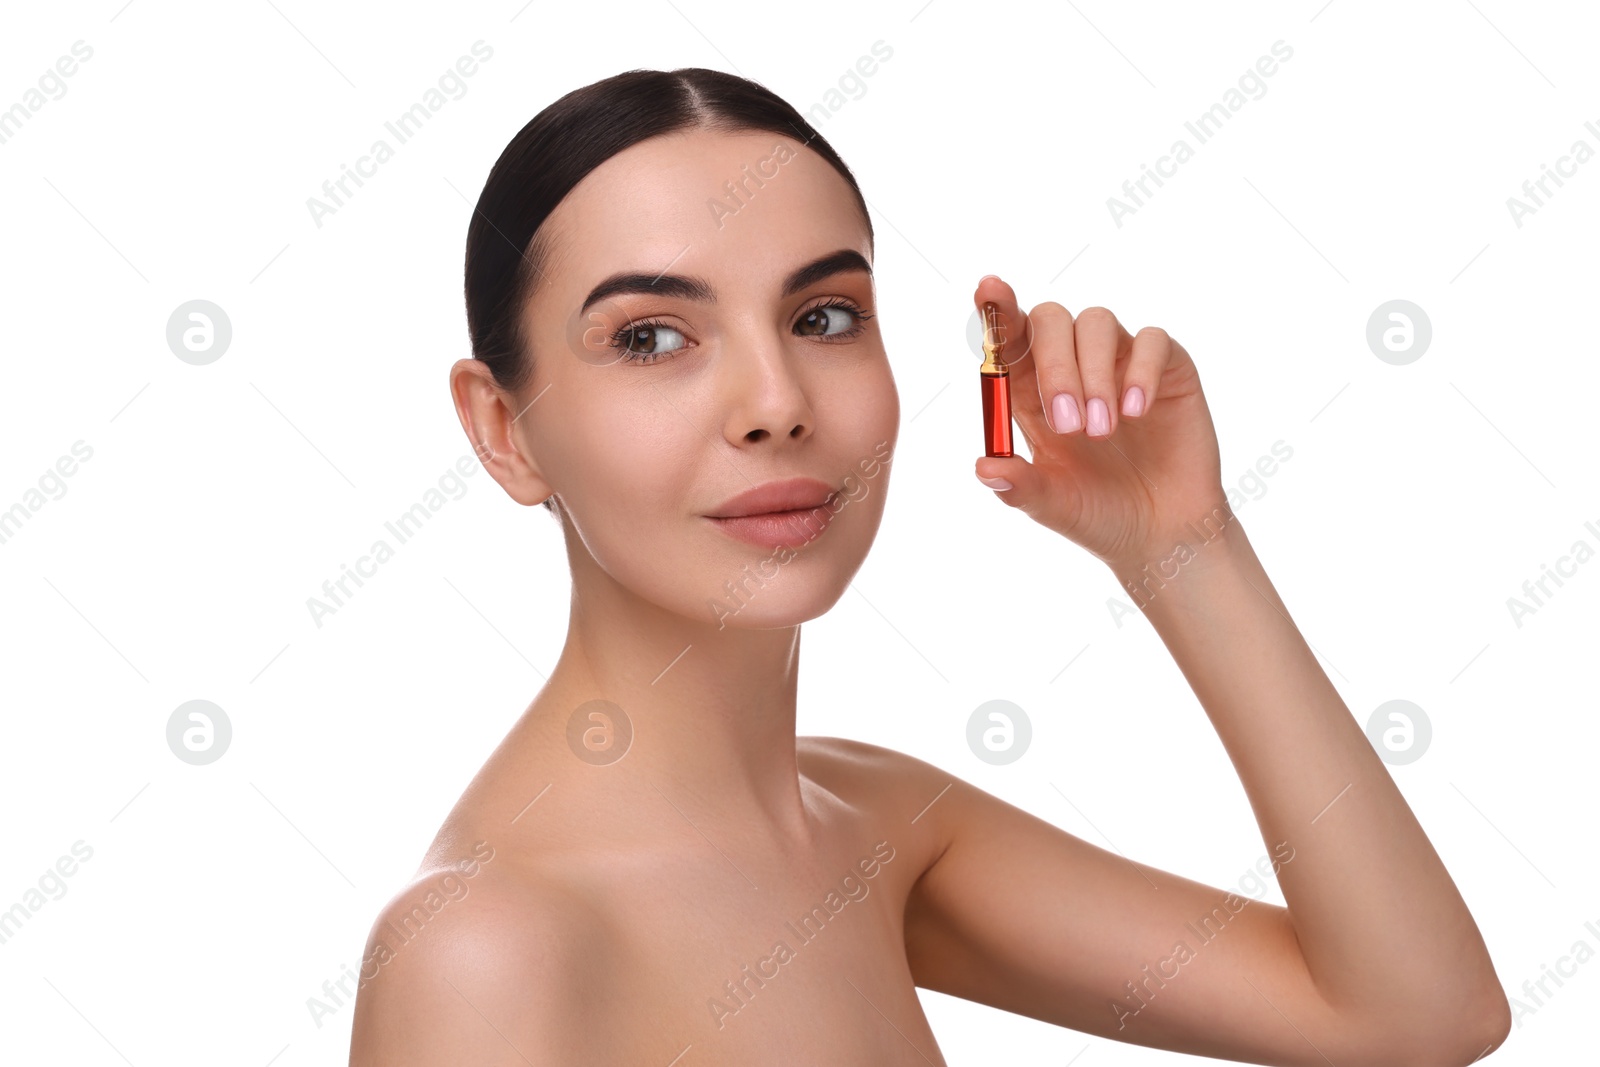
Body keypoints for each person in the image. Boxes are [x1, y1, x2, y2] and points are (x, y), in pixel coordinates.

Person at [346, 66, 1511, 1065]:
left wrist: (1182, 546)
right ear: (503, 428)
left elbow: (1416, 1013)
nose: (774, 404)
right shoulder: (482, 948)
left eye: (823, 316)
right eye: (652, 336)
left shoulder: (871, 819)